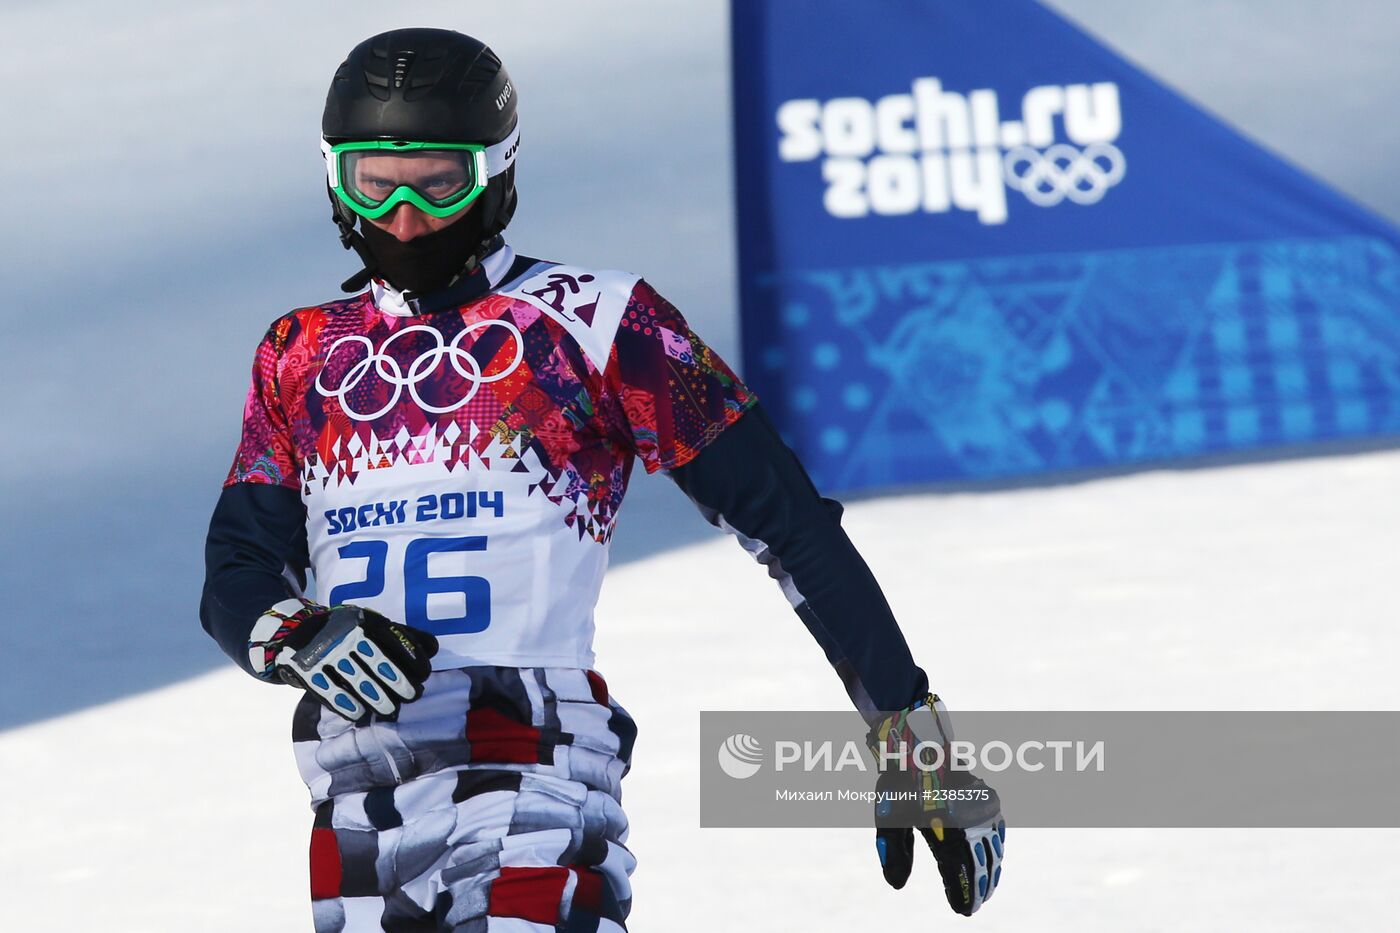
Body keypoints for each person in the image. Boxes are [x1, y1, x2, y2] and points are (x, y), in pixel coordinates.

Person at [200, 27, 1004, 932]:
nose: (405, 218)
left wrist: (908, 732)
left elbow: (788, 524)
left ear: (498, 173)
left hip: (531, 762)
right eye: (370, 183)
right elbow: (238, 567)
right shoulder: (299, 353)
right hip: (358, 796)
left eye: (440, 181)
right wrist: (296, 631)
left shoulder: (597, 320)